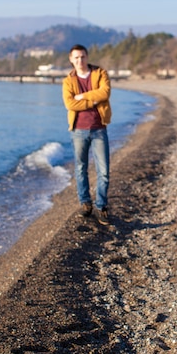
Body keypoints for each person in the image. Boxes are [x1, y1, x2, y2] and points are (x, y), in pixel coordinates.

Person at [62, 44, 112, 225]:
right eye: (76, 58)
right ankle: (85, 204)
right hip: (78, 130)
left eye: (82, 57)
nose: (80, 60)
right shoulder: (68, 81)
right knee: (81, 168)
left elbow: (105, 92)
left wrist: (83, 97)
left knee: (104, 170)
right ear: (71, 59)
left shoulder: (100, 73)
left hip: (99, 128)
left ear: (87, 56)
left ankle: (101, 206)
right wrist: (94, 99)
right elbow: (70, 105)